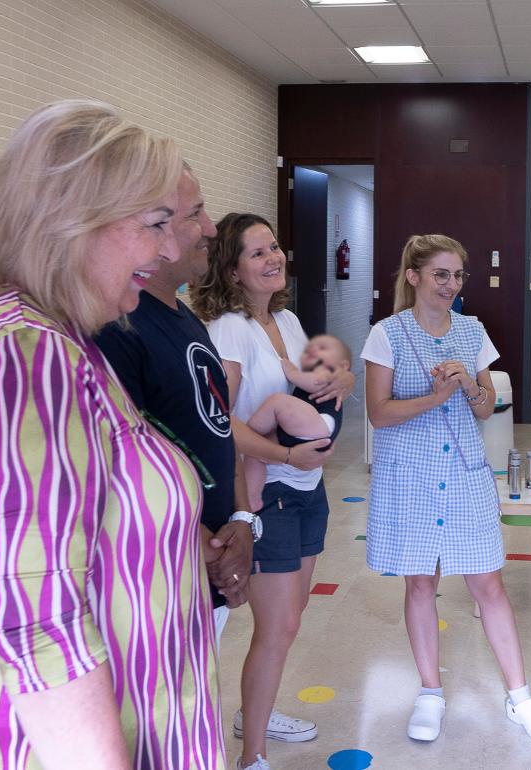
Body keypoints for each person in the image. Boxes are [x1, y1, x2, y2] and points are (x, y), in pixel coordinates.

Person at [0, 101, 225, 769]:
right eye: (153, 225)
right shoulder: (27, 352)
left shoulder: (24, 334)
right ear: (75, 219)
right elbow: (38, 625)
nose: (168, 249)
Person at [363, 234, 531, 745]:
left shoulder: (473, 331)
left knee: (488, 585)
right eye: (440, 275)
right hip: (408, 475)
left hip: (466, 474)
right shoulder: (386, 334)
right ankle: (430, 692)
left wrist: (469, 386)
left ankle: (520, 696)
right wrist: (434, 397)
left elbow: (483, 406)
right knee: (421, 584)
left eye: (458, 276)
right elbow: (378, 414)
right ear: (414, 277)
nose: (451, 285)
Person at [192, 213, 355, 770]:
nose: (273, 258)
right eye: (257, 252)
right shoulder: (229, 331)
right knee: (279, 624)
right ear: (231, 269)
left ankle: (252, 716)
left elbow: (313, 383)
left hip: (306, 487)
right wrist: (285, 455)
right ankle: (252, 754)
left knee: (289, 617)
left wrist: (341, 379)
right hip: (267, 492)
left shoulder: (286, 321)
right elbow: (217, 424)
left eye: (275, 246)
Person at [96, 163, 256, 645]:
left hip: (209, 559)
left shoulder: (182, 316)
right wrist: (205, 547)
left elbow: (216, 426)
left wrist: (243, 521)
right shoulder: (118, 327)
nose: (210, 229)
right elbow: (118, 469)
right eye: (197, 214)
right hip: (159, 575)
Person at [241, 334, 351, 511]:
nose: (313, 350)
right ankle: (253, 497)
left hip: (320, 422)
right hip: (309, 429)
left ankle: (250, 432)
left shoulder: (329, 373)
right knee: (256, 453)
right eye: (310, 348)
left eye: (323, 348)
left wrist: (292, 373)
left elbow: (315, 383)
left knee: (277, 401)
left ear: (343, 365)